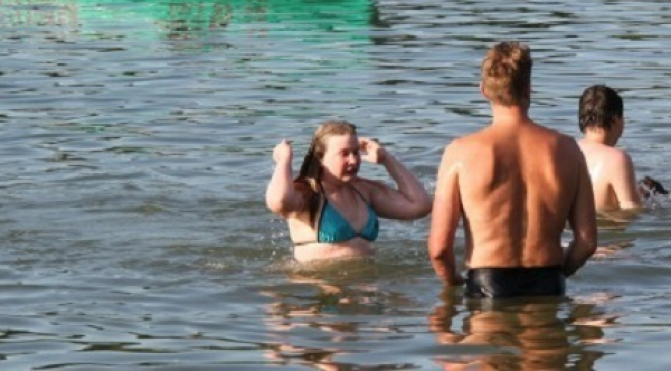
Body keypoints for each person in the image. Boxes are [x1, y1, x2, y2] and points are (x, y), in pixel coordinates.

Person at [428, 41, 597, 299]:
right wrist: (560, 273)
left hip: (488, 285)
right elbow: (586, 242)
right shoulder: (567, 149)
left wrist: (453, 282)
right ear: (529, 89)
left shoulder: (460, 152)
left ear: (483, 90)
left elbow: (439, 249)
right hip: (548, 281)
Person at [265, 120, 431, 263]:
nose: (353, 160)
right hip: (320, 288)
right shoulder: (308, 192)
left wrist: (386, 159)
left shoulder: (363, 191)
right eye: (344, 154)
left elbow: (419, 206)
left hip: (364, 287)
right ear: (320, 158)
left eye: (355, 152)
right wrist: (284, 160)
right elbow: (278, 202)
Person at [577, 85, 643, 212]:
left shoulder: (566, 150)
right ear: (615, 120)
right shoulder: (617, 159)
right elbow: (632, 212)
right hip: (603, 229)